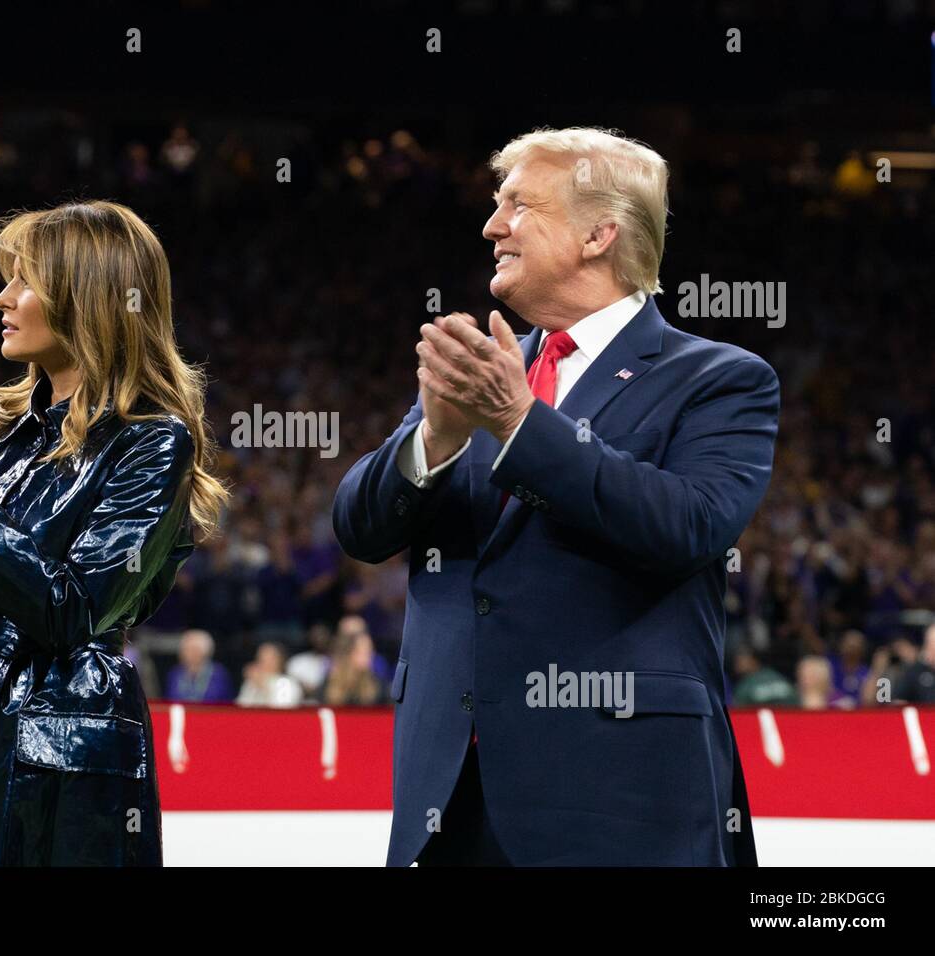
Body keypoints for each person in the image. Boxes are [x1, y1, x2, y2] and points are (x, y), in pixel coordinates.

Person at [334, 127, 779, 866]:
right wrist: (434, 439)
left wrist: (516, 424)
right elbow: (360, 528)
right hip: (448, 795)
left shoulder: (719, 379)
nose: (491, 226)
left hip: (619, 800)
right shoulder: (485, 365)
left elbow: (689, 526)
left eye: (517, 205)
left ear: (599, 234)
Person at [0, 200, 227, 866]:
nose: (2, 298)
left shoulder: (152, 444)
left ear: (86, 297)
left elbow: (72, 611)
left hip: (55, 767)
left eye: (23, 280)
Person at [164, 628, 234, 702]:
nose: (185, 653)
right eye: (184, 649)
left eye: (192, 649)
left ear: (204, 652)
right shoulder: (174, 673)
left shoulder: (219, 674)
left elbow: (224, 701)